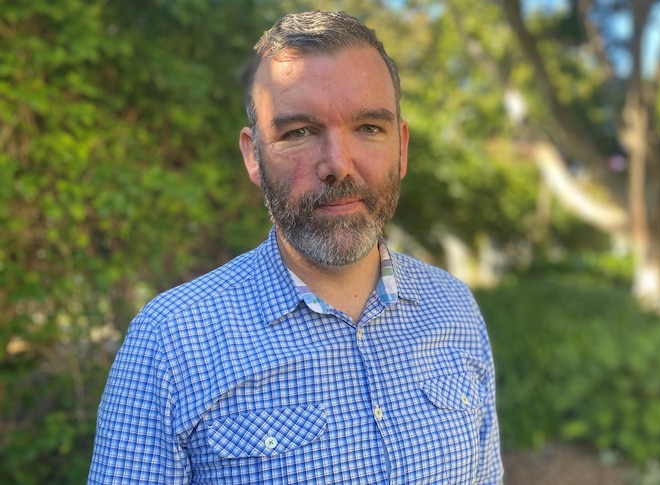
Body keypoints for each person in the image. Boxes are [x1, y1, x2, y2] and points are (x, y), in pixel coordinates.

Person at [87, 10, 503, 484]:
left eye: (369, 127)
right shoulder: (170, 343)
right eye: (298, 132)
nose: (338, 165)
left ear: (402, 148)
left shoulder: (455, 309)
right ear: (253, 156)